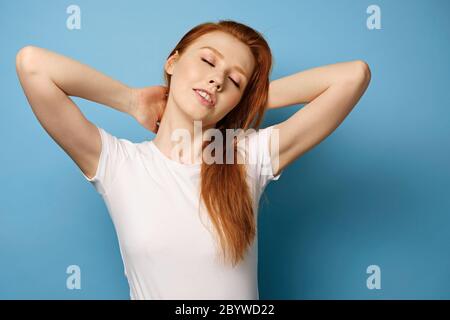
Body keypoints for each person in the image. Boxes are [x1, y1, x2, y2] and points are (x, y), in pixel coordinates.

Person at [15, 20, 371, 300]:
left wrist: (252, 97)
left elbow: (354, 75)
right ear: (173, 61)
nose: (216, 79)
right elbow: (32, 65)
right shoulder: (119, 164)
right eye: (207, 60)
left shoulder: (248, 156)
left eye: (233, 80)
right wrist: (130, 99)